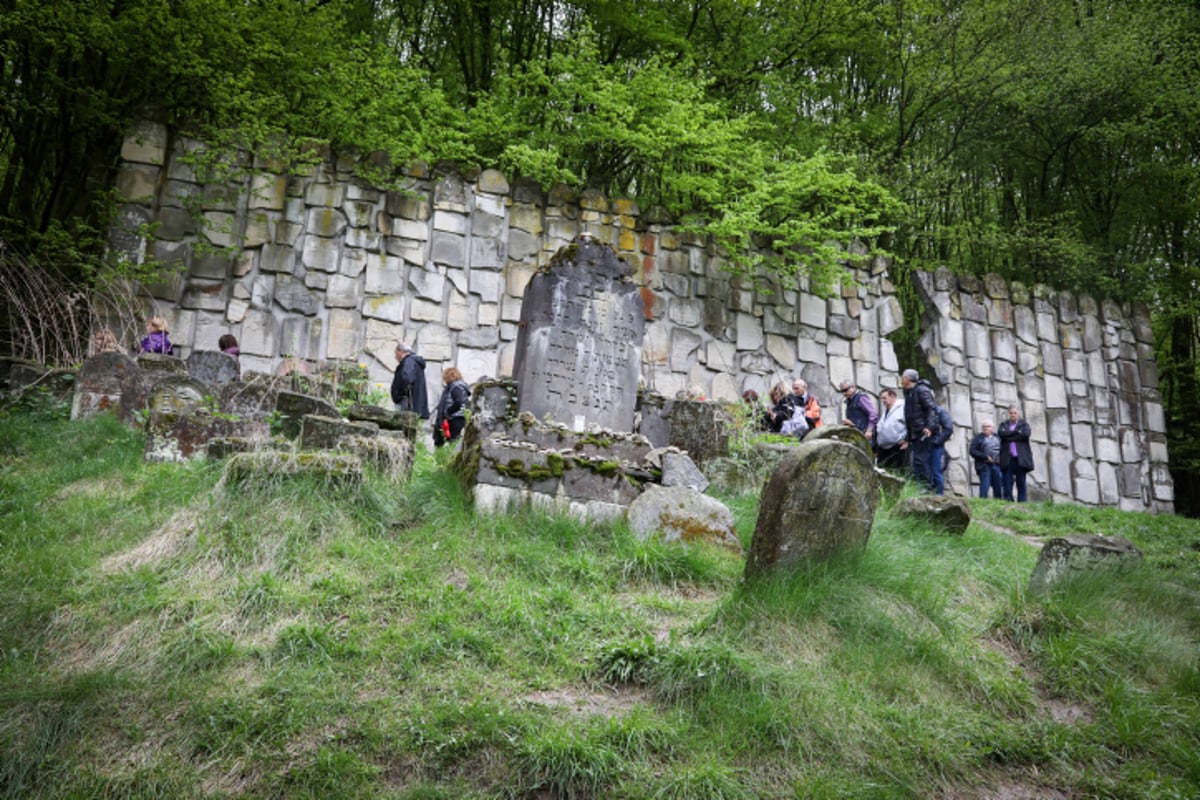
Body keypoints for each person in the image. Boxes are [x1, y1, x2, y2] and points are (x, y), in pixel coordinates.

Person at [901, 368, 943, 494]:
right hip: (915, 432)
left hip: (923, 432)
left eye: (902, 377)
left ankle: (927, 488)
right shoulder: (909, 392)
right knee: (916, 461)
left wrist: (929, 427)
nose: (901, 380)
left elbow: (931, 409)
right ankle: (920, 487)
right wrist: (908, 438)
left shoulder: (921, 390)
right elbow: (910, 417)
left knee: (922, 459)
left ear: (908, 379)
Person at [998, 404, 1034, 502]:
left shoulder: (1024, 425)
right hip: (1008, 459)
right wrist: (1017, 433)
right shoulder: (1003, 425)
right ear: (1008, 414)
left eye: (1015, 413)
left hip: (1020, 459)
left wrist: (1009, 436)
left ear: (1018, 414)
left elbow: (1026, 434)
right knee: (1007, 483)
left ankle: (1022, 503)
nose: (1013, 415)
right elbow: (1002, 434)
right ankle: (1008, 503)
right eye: (1011, 413)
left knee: (1021, 483)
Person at [390, 341, 429, 419]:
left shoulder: (408, 361)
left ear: (401, 351)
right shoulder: (414, 362)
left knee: (403, 424)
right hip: (413, 403)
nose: (395, 356)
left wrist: (399, 395)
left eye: (396, 353)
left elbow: (407, 379)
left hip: (406, 402)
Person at [433, 367, 470, 447]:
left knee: (452, 442)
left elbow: (458, 402)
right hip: (456, 418)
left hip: (453, 419)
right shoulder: (457, 387)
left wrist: (448, 411)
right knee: (452, 442)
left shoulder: (456, 387)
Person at [969, 419, 1003, 499]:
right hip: (984, 465)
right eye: (984, 427)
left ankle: (998, 502)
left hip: (997, 465)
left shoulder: (998, 437)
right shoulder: (978, 438)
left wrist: (1001, 459)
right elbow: (972, 451)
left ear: (992, 428)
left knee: (998, 485)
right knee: (985, 484)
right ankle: (983, 501)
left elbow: (1003, 449)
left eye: (988, 426)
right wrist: (985, 457)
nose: (985, 428)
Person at [875, 388, 907, 469]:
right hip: (883, 447)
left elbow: (909, 424)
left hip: (897, 446)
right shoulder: (886, 409)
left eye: (884, 398)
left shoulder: (903, 407)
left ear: (892, 396)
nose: (883, 401)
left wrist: (907, 440)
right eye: (882, 398)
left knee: (896, 470)